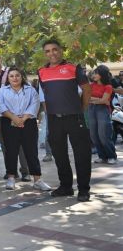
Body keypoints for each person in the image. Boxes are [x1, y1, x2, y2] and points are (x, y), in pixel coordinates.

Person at [38, 39, 92, 201]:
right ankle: (66, 186)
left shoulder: (73, 68)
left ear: (61, 50)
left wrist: (81, 109)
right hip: (55, 120)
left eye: (54, 49)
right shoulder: (41, 72)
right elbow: (45, 96)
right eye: (47, 51)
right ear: (45, 54)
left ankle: (83, 190)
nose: (51, 53)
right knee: (59, 155)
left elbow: (87, 89)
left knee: (82, 155)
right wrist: (49, 113)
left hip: (75, 118)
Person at [0, 68, 52, 191]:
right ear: (8, 78)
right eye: (11, 76)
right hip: (9, 122)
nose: (14, 78)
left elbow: (35, 104)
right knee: (11, 151)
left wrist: (23, 118)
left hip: (28, 122)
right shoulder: (2, 91)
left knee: (31, 151)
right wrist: (14, 118)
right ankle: (11, 178)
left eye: (17, 75)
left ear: (22, 77)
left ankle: (37, 180)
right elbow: (0, 105)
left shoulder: (30, 90)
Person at [0, 52, 30, 181]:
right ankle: (11, 171)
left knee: (21, 144)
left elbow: (24, 88)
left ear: (0, 58)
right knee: (6, 145)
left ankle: (26, 171)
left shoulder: (9, 72)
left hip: (16, 113)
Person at [88, 65, 116, 164]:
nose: (93, 75)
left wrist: (96, 100)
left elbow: (105, 101)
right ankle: (102, 156)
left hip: (103, 110)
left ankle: (111, 156)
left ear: (102, 74)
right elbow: (87, 98)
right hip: (91, 109)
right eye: (93, 73)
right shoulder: (91, 85)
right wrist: (100, 100)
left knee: (103, 134)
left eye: (96, 73)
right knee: (94, 135)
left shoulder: (108, 86)